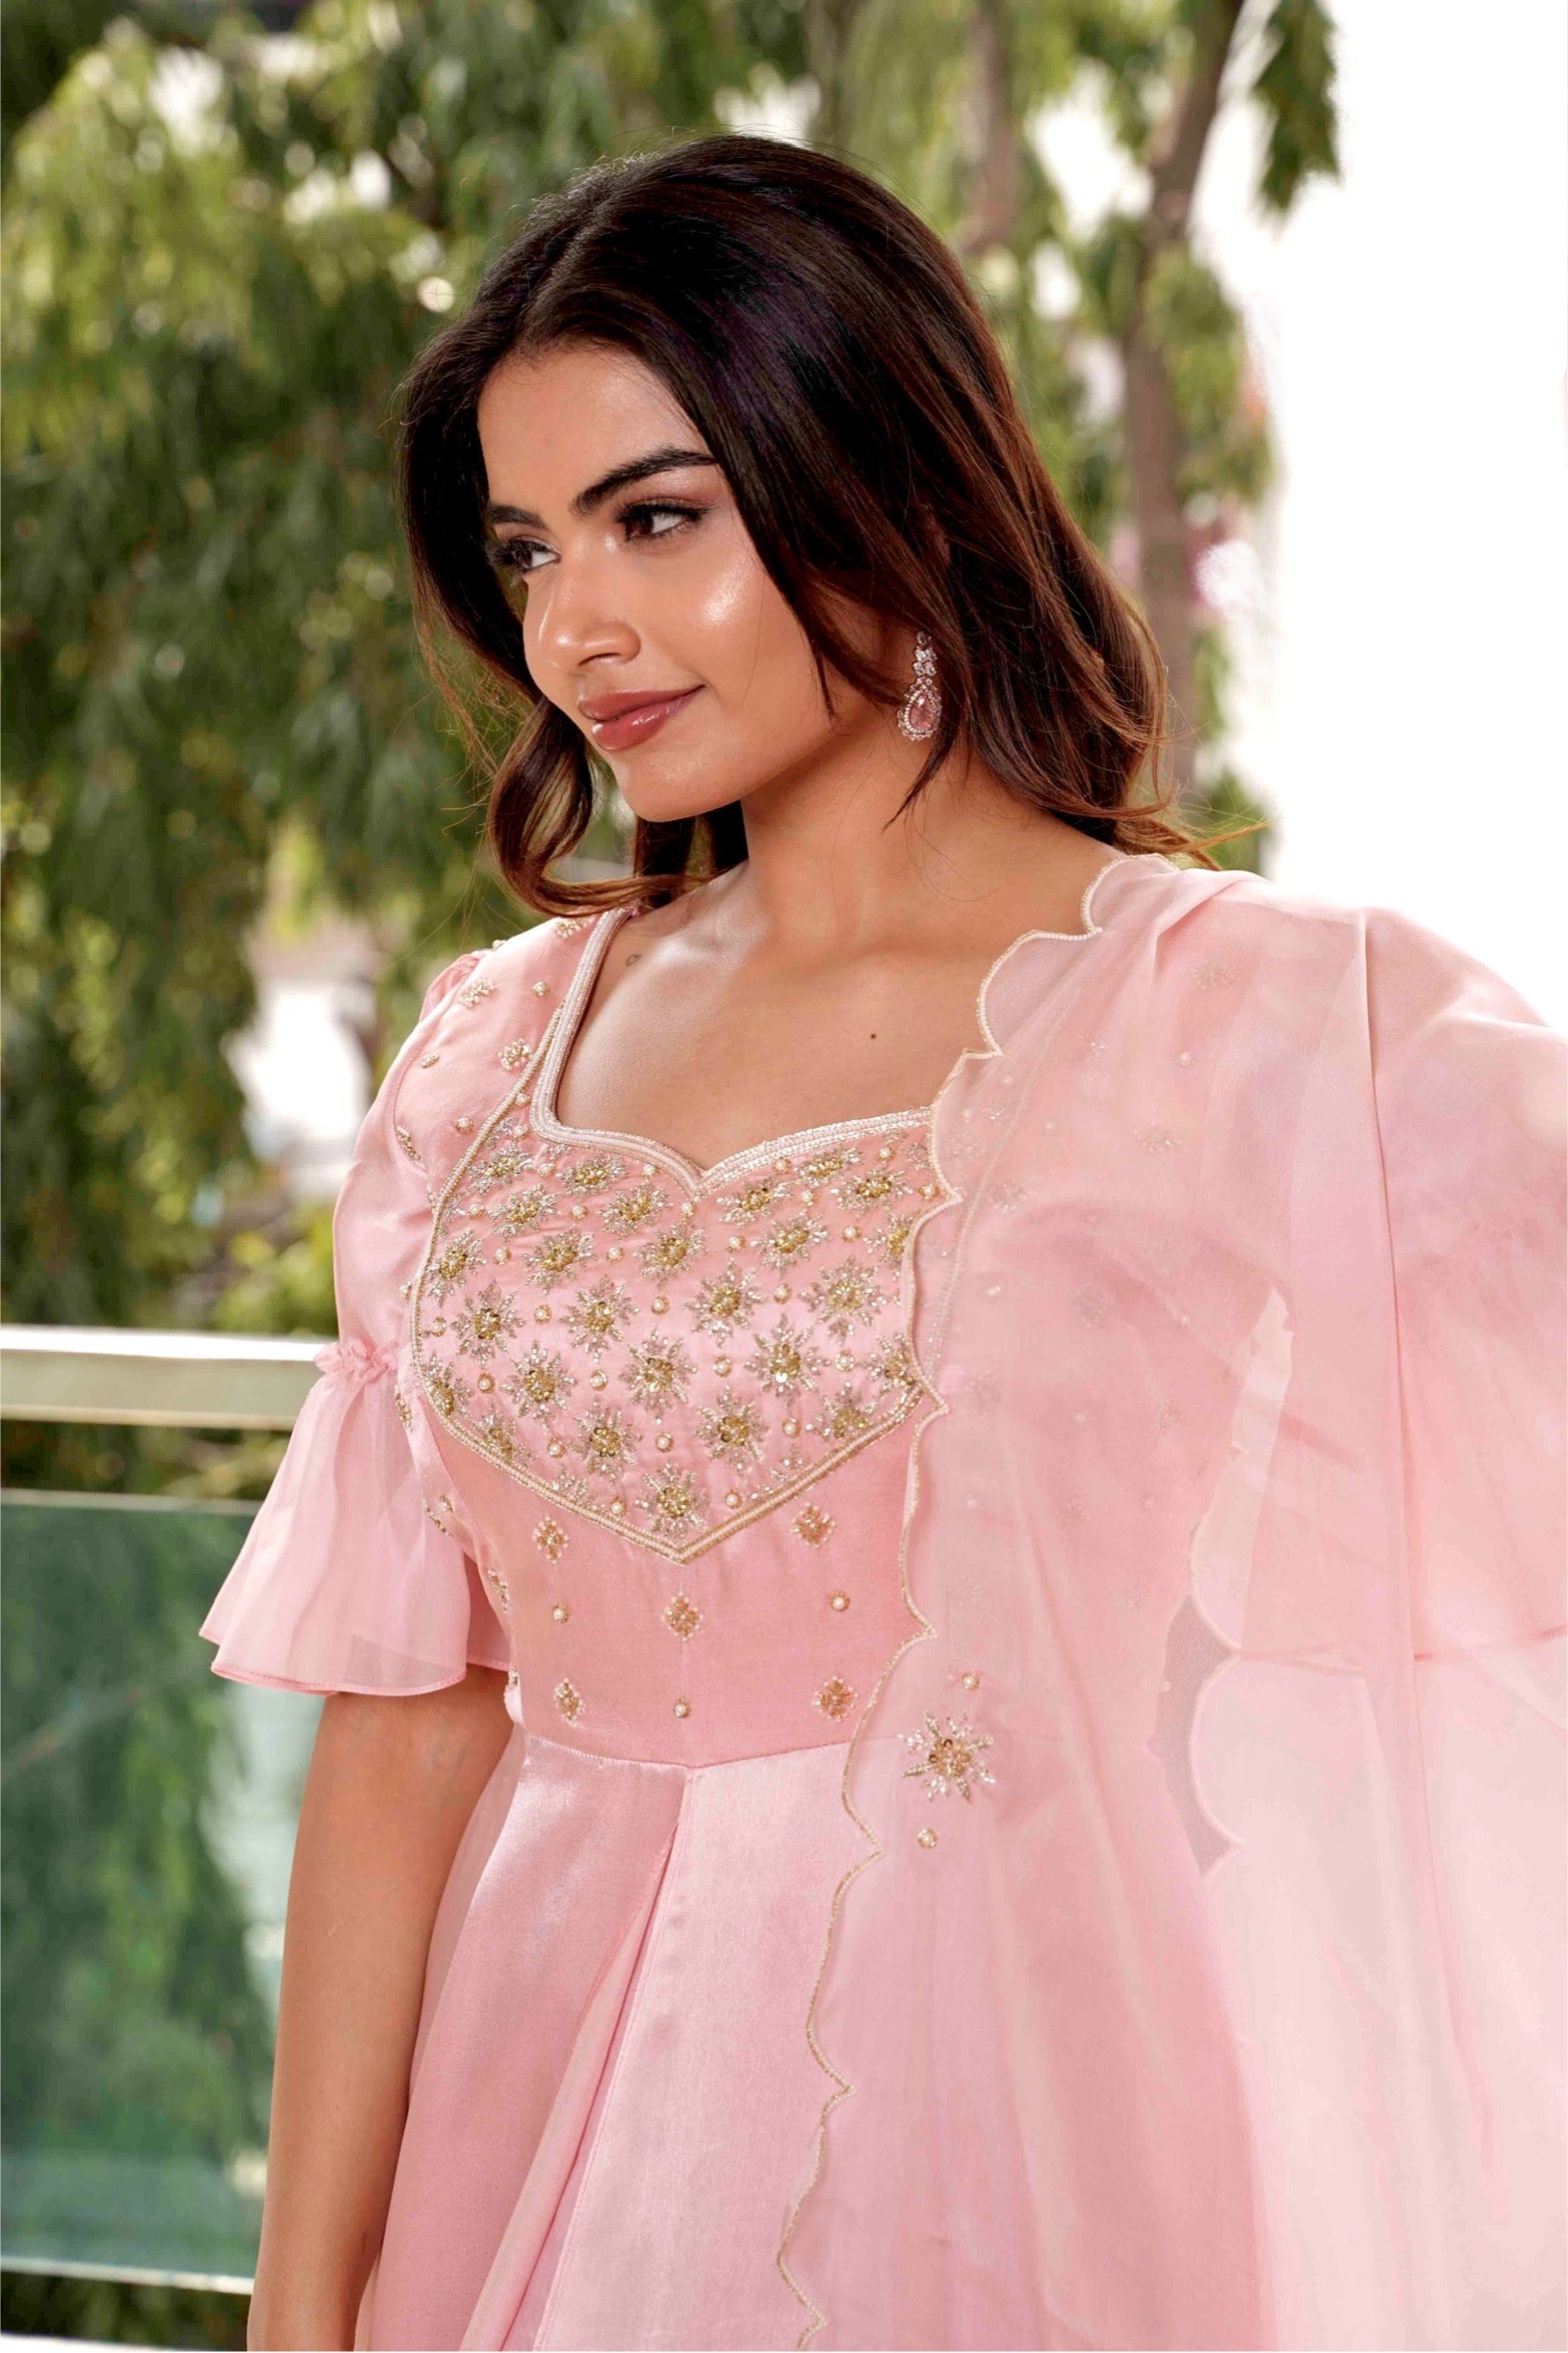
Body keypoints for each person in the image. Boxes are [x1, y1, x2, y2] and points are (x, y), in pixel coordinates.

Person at [201, 134, 1565, 2352]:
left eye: (659, 519)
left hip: (1020, 2119)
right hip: (524, 2129)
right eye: (525, 548)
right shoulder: (478, 1063)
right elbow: (404, 1734)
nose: (575, 628)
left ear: (891, 479)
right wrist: (302, 2311)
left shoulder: (1256, 1025)